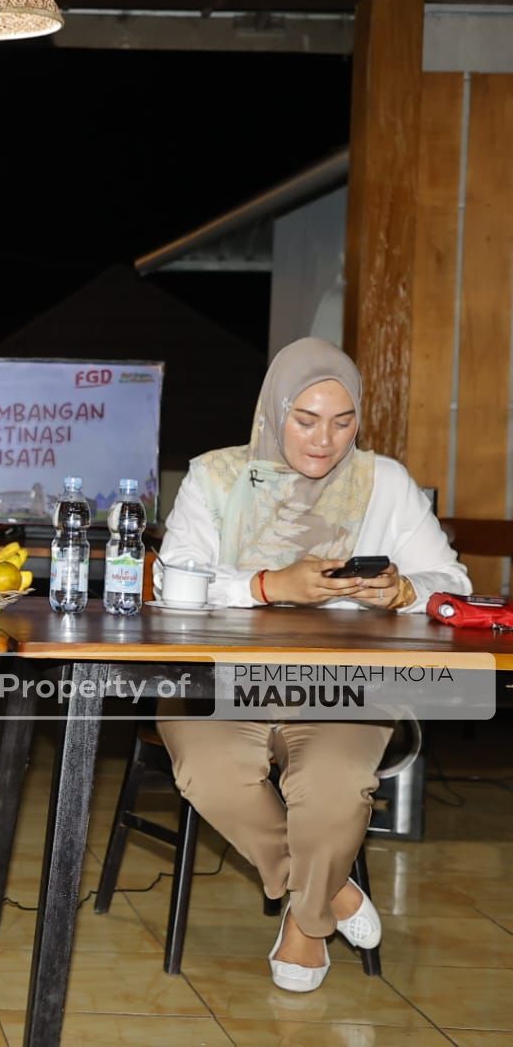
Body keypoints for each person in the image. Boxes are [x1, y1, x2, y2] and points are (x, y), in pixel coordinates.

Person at [154, 337, 469, 993]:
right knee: (209, 768)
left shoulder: (384, 483)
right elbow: (173, 583)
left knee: (335, 781)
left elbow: (453, 583)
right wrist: (269, 586)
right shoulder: (216, 478)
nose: (324, 440)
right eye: (305, 420)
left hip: (343, 687)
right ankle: (326, 892)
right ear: (273, 412)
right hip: (217, 684)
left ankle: (305, 921)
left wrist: (405, 590)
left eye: (342, 422)